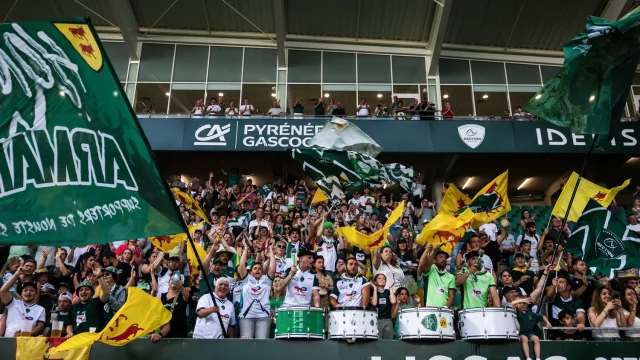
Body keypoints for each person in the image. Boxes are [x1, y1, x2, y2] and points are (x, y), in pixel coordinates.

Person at [236, 245, 276, 339]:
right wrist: (245, 249)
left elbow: (273, 267)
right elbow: (242, 265)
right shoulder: (246, 280)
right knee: (246, 343)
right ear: (250, 272)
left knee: (262, 343)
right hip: (247, 316)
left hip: (263, 316)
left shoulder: (266, 280)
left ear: (263, 272)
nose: (257, 270)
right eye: (255, 268)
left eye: (259, 268)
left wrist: (271, 251)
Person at [0, 266, 46, 337]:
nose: (28, 292)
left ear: (36, 294)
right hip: (9, 340)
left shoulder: (40, 309)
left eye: (32, 290)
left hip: (27, 342)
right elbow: (3, 291)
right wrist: (16, 274)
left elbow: (40, 326)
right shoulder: (13, 303)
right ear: (21, 293)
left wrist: (24, 334)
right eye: (25, 290)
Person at [67, 266, 111, 336]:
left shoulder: (96, 303)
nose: (83, 292)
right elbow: (69, 324)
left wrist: (99, 276)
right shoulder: (73, 308)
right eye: (81, 290)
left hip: (93, 339)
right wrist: (70, 332)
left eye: (87, 289)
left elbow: (105, 293)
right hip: (77, 339)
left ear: (92, 293)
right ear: (78, 294)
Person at [514, 294, 552, 360]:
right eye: (520, 303)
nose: (522, 304)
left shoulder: (530, 313)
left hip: (530, 333)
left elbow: (542, 316)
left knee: (536, 339)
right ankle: (528, 357)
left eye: (524, 303)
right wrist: (524, 300)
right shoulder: (516, 312)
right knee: (524, 338)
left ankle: (538, 358)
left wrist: (548, 323)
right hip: (520, 333)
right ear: (516, 304)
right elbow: (512, 304)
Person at [371, 273, 396, 339]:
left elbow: (393, 301)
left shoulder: (387, 292)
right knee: (378, 342)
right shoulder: (372, 292)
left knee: (389, 342)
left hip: (388, 320)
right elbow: (374, 303)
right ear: (375, 282)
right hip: (376, 320)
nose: (382, 280)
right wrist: (374, 288)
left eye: (384, 279)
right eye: (379, 278)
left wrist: (390, 288)